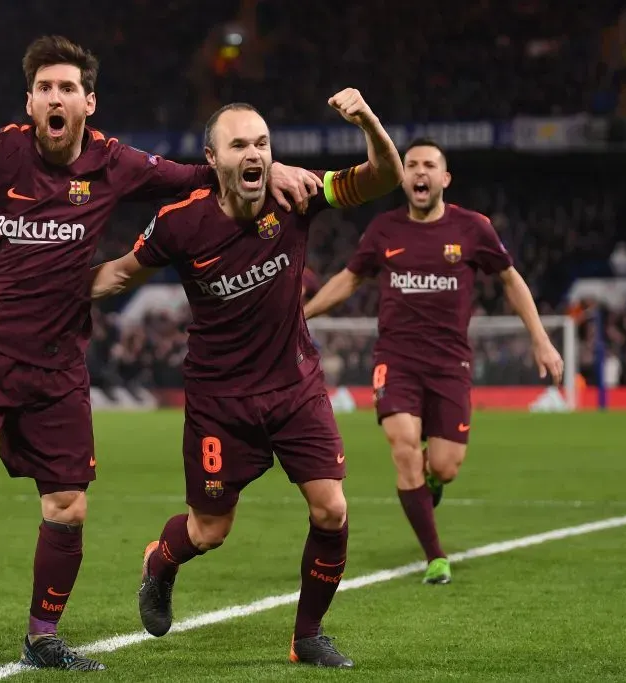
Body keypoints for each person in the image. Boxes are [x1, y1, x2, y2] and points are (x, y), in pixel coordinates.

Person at [0, 35, 321, 670]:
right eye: (45, 88)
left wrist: (273, 170)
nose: (56, 98)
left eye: (68, 88)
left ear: (88, 103)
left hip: (58, 366)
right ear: (29, 102)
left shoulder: (114, 163)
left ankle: (42, 639)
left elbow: (199, 175)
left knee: (68, 506)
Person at [90, 89, 402, 668]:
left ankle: (307, 636)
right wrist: (42, 290)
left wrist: (366, 120)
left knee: (331, 509)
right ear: (212, 159)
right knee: (208, 531)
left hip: (295, 386)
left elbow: (384, 177)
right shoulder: (180, 223)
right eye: (239, 145)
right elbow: (119, 276)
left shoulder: (296, 194)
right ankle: (160, 562)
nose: (254, 153)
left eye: (262, 143)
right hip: (219, 401)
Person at [304, 138, 565, 584]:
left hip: (450, 365)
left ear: (445, 178)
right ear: (403, 177)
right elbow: (349, 280)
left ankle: (433, 481)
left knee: (444, 465)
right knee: (404, 447)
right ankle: (435, 557)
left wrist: (541, 340)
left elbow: (510, 279)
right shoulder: (384, 229)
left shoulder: (473, 228)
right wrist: (302, 314)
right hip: (396, 360)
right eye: (411, 165)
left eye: (429, 165)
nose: (419, 172)